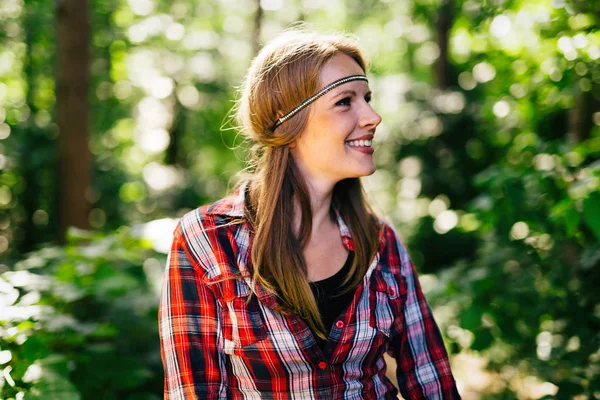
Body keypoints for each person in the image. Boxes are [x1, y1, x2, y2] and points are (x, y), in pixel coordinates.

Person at [159, 29, 460, 399]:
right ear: (287, 120)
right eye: (345, 102)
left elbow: (432, 382)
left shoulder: (381, 242)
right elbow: (194, 391)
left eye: (367, 98)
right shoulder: (206, 239)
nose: (373, 116)